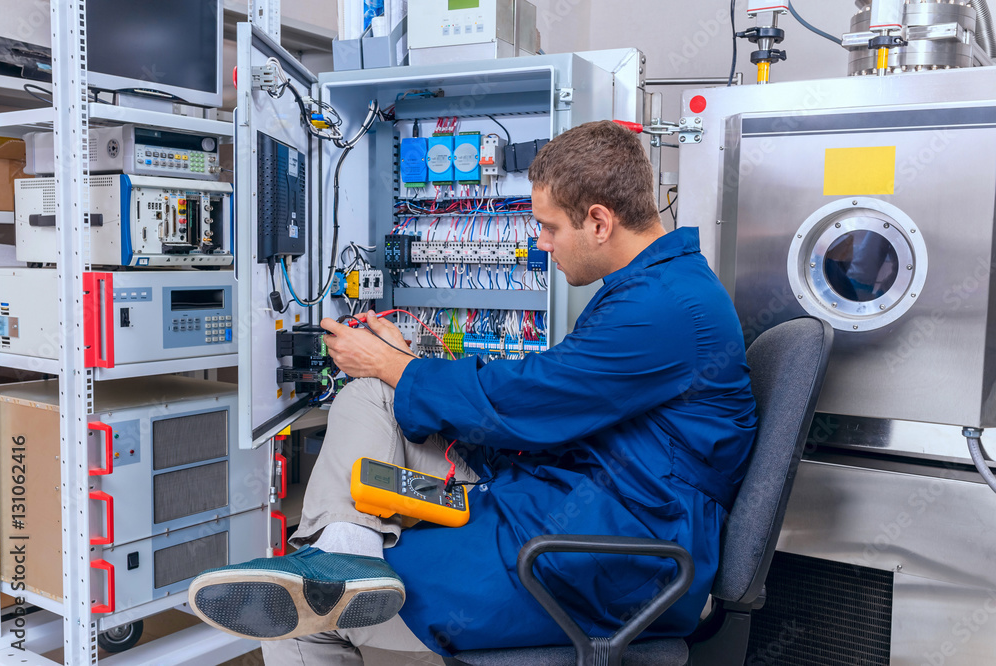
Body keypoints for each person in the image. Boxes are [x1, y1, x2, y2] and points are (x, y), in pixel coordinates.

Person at [188, 120, 757, 665]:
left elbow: (533, 400)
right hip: (571, 490)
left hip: (608, 550)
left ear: (600, 221)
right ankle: (347, 547)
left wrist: (398, 365)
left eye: (551, 227)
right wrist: (397, 369)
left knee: (300, 617)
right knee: (369, 396)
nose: (542, 244)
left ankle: (341, 573)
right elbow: (553, 393)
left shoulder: (665, 308)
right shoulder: (656, 285)